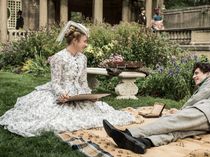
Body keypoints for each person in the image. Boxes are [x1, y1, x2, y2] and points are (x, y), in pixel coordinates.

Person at [0, 21, 134, 137]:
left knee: (99, 113)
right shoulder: (58, 58)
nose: (86, 44)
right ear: (75, 41)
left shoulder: (83, 58)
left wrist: (89, 95)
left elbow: (82, 81)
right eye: (84, 41)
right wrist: (61, 94)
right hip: (62, 92)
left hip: (79, 93)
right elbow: (55, 82)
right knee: (54, 116)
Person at [103, 62, 210, 154]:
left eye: (197, 73)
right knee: (177, 132)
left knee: (172, 120)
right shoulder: (207, 85)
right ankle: (144, 142)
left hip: (206, 112)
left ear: (208, 74)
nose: (194, 76)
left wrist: (180, 111)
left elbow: (196, 99)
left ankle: (128, 133)